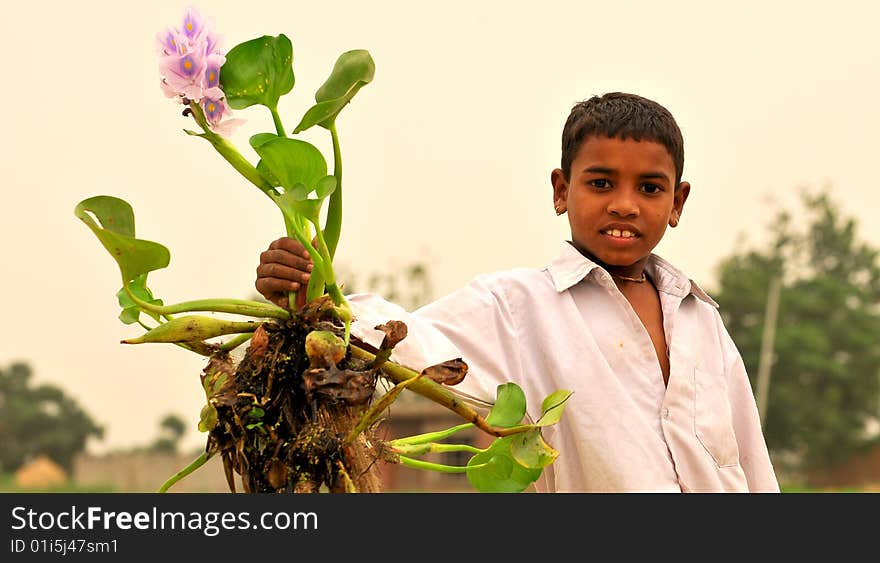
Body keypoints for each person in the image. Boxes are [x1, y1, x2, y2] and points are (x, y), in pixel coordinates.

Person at [254, 92, 780, 493]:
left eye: (649, 188)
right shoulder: (516, 306)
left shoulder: (700, 318)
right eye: (600, 183)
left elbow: (750, 459)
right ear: (560, 189)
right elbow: (409, 341)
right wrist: (313, 297)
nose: (625, 204)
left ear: (677, 201)